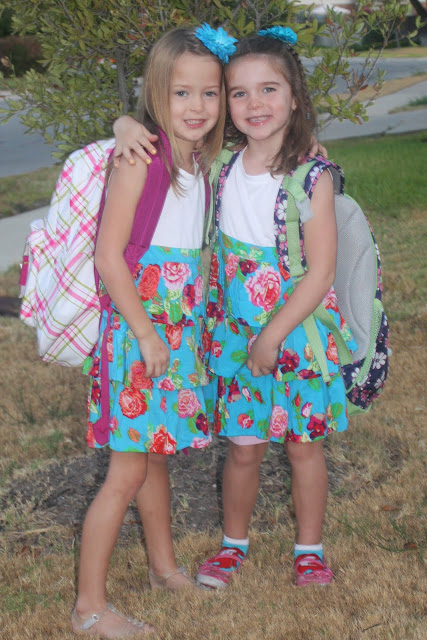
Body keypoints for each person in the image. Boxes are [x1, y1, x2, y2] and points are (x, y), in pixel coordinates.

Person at [112, 27, 348, 593]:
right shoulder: (219, 165)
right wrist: (124, 123)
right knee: (243, 448)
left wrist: (274, 336)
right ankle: (232, 545)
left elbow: (320, 273)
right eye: (239, 92)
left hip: (296, 334)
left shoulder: (311, 178)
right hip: (237, 336)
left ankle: (309, 551)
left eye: (269, 89)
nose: (254, 103)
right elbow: (153, 135)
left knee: (303, 447)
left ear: (295, 96)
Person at [71, 25, 233, 638]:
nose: (197, 107)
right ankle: (89, 608)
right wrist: (144, 333)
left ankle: (164, 570)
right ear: (156, 94)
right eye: (181, 93)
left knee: (154, 455)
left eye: (209, 93)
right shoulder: (142, 158)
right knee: (126, 473)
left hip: (171, 333)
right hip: (139, 336)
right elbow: (108, 257)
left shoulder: (199, 160)